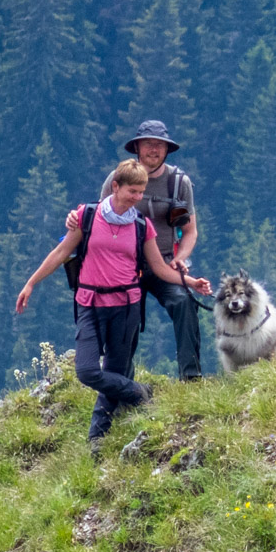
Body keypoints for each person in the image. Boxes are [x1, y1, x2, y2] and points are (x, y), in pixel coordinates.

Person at [17, 159, 211, 450]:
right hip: (90, 303)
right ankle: (141, 393)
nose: (137, 198)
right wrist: (31, 283)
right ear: (115, 186)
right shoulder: (87, 216)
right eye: (132, 191)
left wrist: (191, 282)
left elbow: (159, 268)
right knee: (87, 371)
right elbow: (61, 252)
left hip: (126, 306)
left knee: (115, 371)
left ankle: (97, 439)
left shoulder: (142, 226)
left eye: (141, 192)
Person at [68, 121, 209, 380]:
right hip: (123, 268)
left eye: (160, 145)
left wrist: (181, 258)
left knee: (184, 302)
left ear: (167, 150)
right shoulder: (117, 179)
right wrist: (73, 219)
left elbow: (190, 231)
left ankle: (191, 379)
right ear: (137, 148)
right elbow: (99, 218)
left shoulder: (179, 183)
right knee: (124, 320)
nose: (154, 149)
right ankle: (123, 381)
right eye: (148, 144)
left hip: (164, 264)